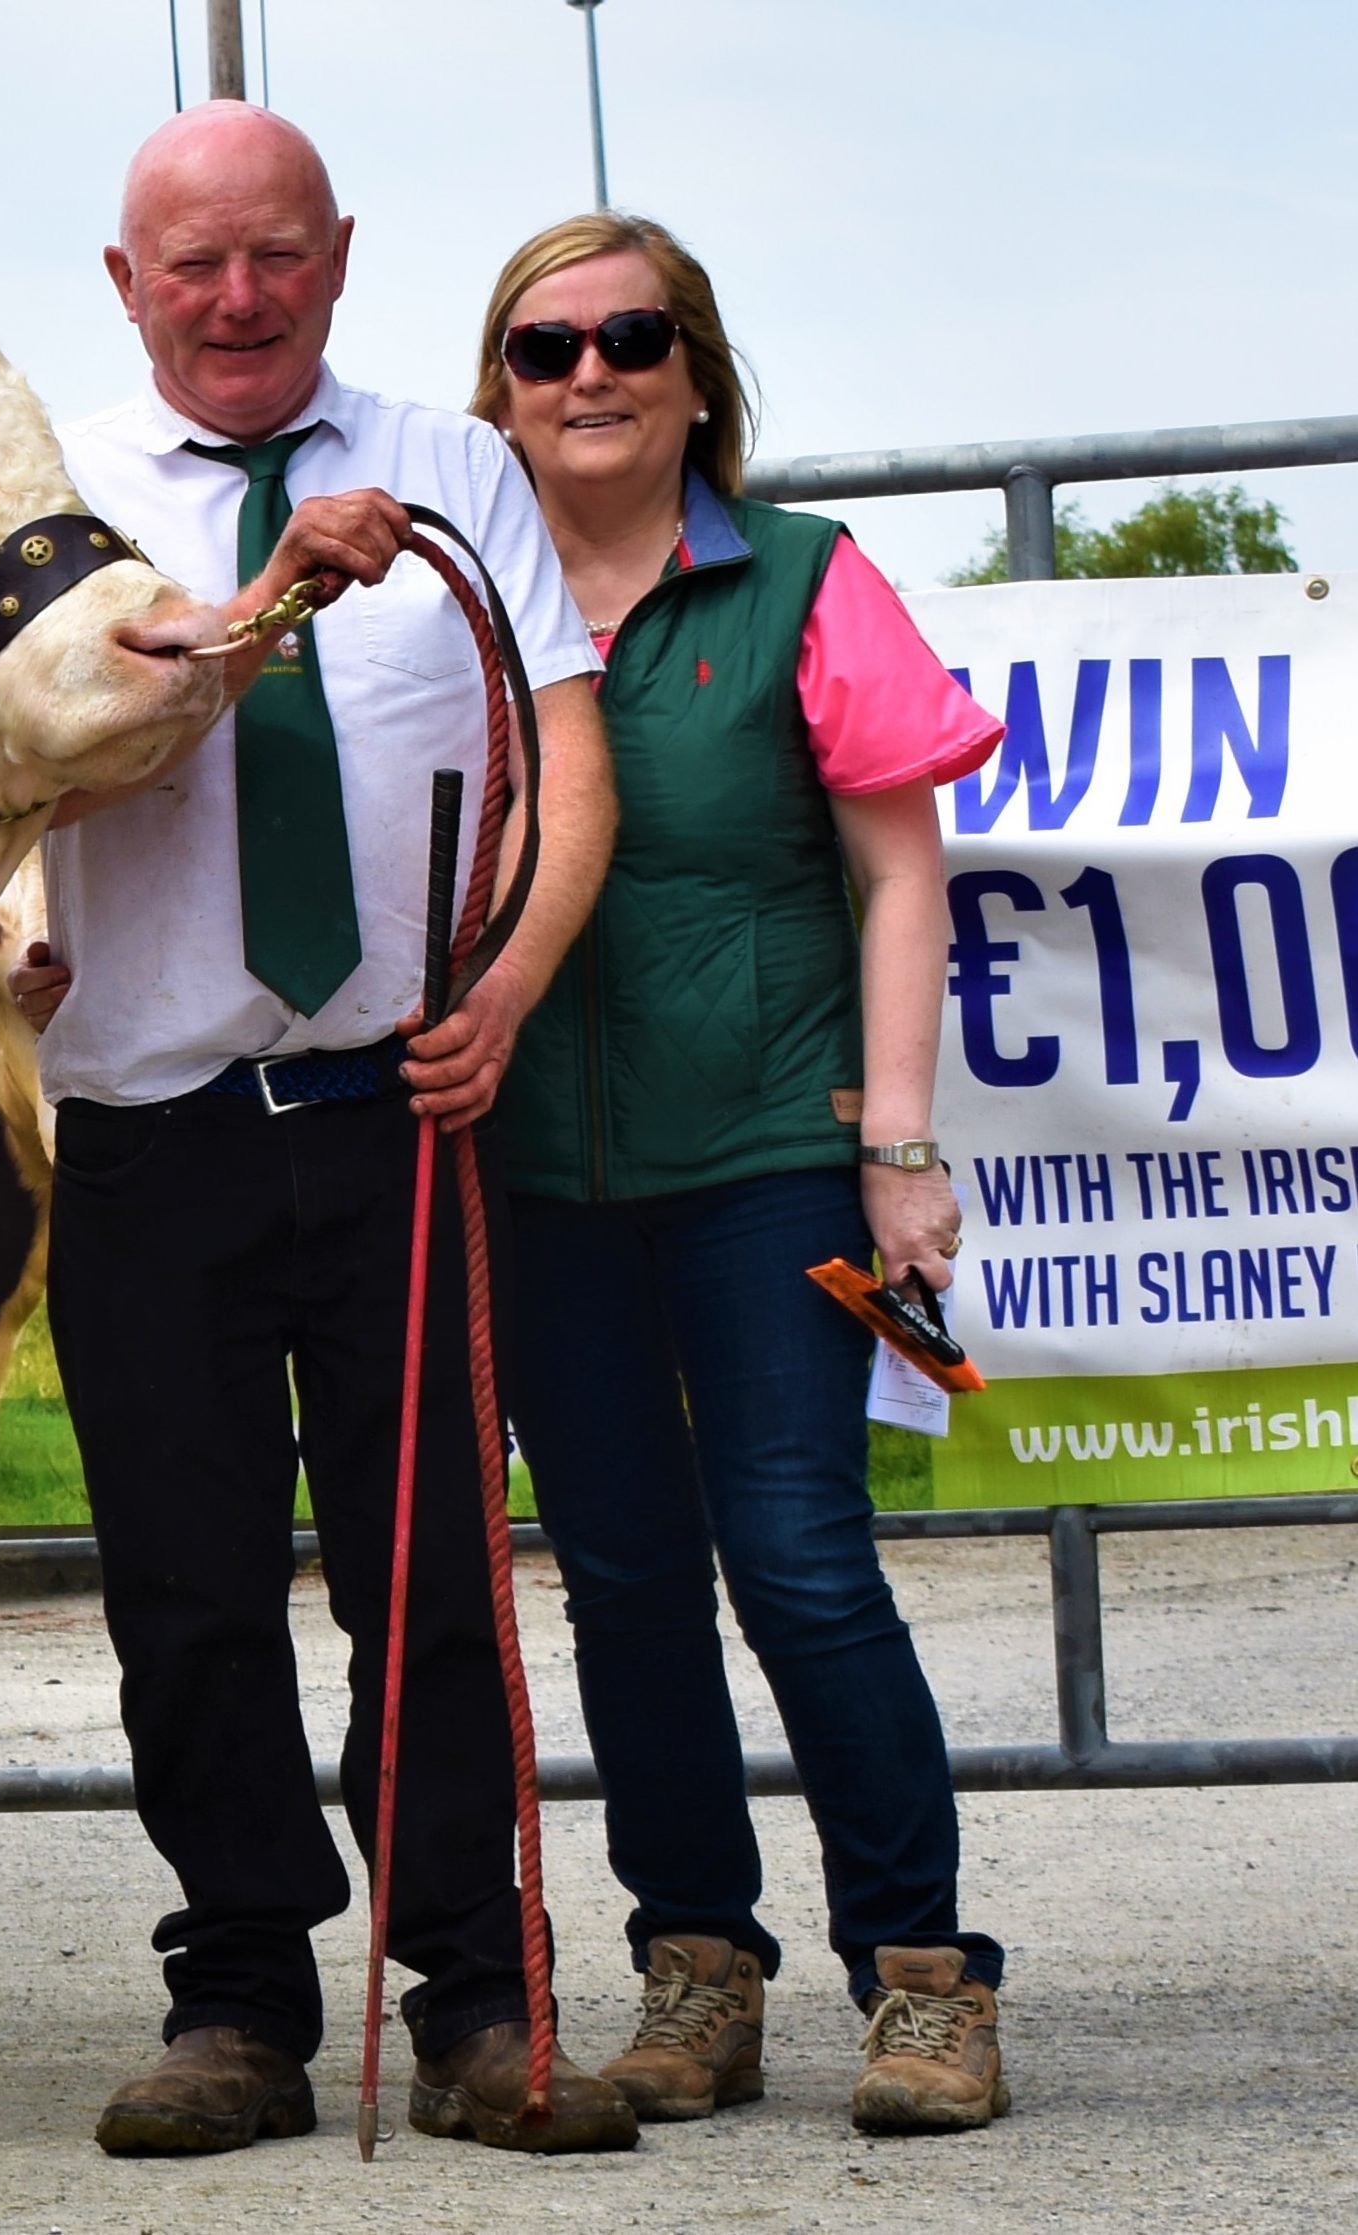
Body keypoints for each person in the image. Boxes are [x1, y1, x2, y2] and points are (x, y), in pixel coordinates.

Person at [10, 103, 630, 2156]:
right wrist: (271, 591)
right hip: (148, 1122)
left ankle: (476, 1997)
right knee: (182, 1587)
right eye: (192, 265)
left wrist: (508, 989)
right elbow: (75, 759)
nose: (237, 299)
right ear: (127, 282)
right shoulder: (54, 494)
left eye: (274, 254)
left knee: (431, 1576)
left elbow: (563, 760)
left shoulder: (461, 470)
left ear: (340, 254)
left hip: (402, 1117)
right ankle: (246, 2003)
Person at [468, 210, 1010, 2136]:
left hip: (778, 1154)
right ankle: (695, 1967)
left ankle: (925, 1979)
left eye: (631, 337)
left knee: (796, 1559)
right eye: (545, 350)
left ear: (697, 374)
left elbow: (895, 873)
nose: (589, 374)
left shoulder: (801, 578)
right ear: (499, 396)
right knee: (619, 1579)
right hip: (533, 1176)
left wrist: (897, 1147)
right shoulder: (456, 611)